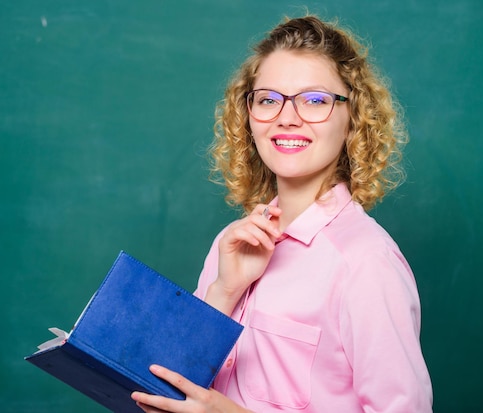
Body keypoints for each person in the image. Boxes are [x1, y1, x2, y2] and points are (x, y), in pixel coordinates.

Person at [132, 15, 433, 413]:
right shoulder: (231, 245)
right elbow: (169, 382)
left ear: (353, 118)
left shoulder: (365, 263)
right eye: (269, 99)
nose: (286, 117)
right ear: (248, 115)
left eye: (314, 100)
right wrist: (224, 289)